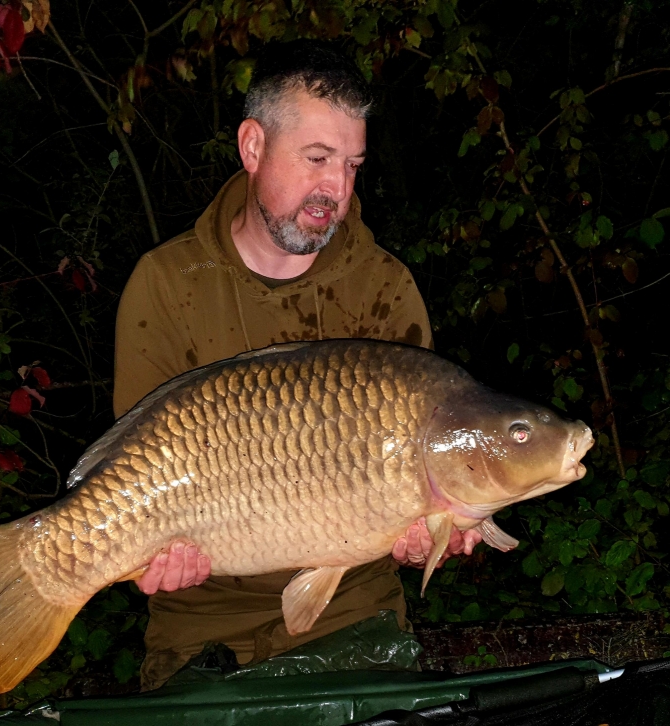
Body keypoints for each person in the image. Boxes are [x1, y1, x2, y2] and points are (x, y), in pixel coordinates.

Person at [114, 39, 481, 691]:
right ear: (253, 146)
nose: (335, 189)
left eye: (352, 165)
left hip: (353, 617)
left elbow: (430, 472)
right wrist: (149, 553)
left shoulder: (383, 288)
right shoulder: (165, 284)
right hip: (203, 628)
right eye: (317, 159)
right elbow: (136, 468)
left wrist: (431, 534)